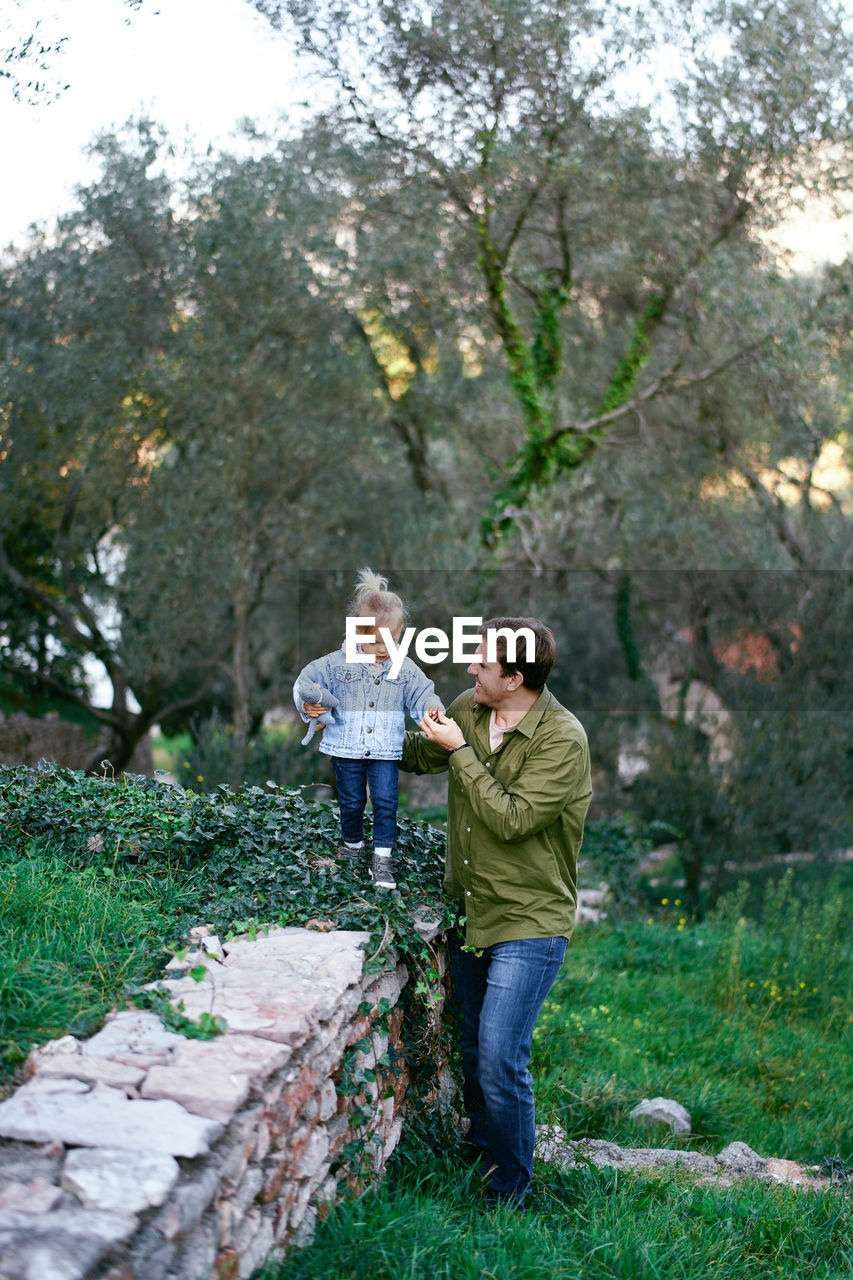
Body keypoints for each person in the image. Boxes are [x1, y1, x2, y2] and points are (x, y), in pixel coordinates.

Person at [401, 617, 591, 1210]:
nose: (470, 671)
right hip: (470, 911)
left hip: (530, 920)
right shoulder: (471, 707)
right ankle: (485, 1159)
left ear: (514, 677)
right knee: (476, 1051)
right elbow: (418, 756)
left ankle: (511, 1190)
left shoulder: (563, 739)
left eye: (481, 664)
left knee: (502, 1056)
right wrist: (350, 726)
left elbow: (512, 819)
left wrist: (457, 751)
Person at [294, 569, 443, 890]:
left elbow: (422, 693)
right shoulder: (336, 664)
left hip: (386, 751)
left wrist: (432, 713)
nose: (383, 648)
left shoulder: (404, 668)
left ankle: (383, 858)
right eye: (375, 640)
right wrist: (308, 706)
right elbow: (305, 682)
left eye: (392, 640)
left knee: (386, 801)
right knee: (350, 802)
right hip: (345, 748)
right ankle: (353, 846)